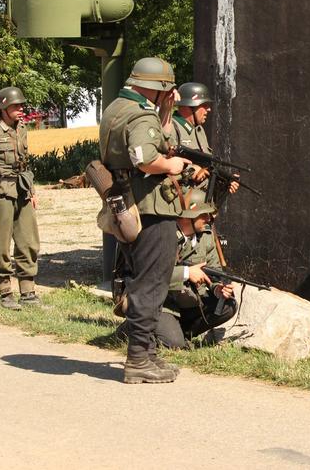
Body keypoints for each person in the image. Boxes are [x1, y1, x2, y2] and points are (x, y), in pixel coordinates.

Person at [100, 57, 190, 384]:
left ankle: (147, 353)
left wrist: (163, 111)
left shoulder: (117, 107)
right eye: (167, 89)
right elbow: (145, 157)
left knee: (144, 279)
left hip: (130, 204)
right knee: (152, 282)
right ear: (159, 88)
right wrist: (172, 165)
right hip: (151, 207)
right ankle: (139, 357)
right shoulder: (141, 114)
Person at [155, 189, 236, 349]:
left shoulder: (206, 236)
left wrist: (217, 289)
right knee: (174, 345)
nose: (208, 219)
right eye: (203, 214)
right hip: (162, 304)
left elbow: (214, 272)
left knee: (228, 305)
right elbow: (152, 276)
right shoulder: (164, 235)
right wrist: (186, 273)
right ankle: (136, 327)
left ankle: (180, 333)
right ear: (188, 216)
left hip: (189, 300)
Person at [0, 87, 40, 310]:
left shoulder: (22, 128)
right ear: (4, 108)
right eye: (16, 106)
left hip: (22, 189)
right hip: (0, 192)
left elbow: (24, 163)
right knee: (1, 244)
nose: (21, 109)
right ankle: (6, 293)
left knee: (28, 242)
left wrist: (32, 191)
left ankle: (28, 293)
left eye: (21, 106)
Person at [170, 82, 238, 196]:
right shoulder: (171, 127)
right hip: (179, 201)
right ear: (191, 106)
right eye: (204, 105)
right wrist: (191, 171)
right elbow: (164, 161)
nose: (209, 109)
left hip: (199, 200)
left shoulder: (199, 130)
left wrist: (225, 180)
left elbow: (206, 167)